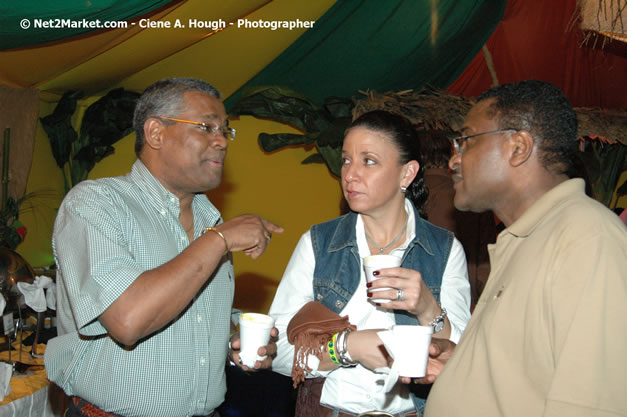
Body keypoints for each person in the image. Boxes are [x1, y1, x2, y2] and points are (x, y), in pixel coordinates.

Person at [44, 77, 283, 417]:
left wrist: (234, 338)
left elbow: (189, 313)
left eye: (224, 131)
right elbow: (128, 319)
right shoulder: (95, 204)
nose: (221, 141)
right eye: (206, 127)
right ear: (155, 133)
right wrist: (220, 240)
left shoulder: (209, 222)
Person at [420, 80, 627, 416]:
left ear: (518, 147)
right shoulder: (525, 239)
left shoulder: (587, 239)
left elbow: (591, 405)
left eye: (466, 141)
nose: (453, 161)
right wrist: (465, 364)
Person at [268, 110, 471, 417]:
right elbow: (278, 352)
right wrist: (348, 348)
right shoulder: (320, 243)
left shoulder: (442, 249)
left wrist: (427, 307)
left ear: (407, 173)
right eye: (347, 159)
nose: (350, 174)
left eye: (369, 161)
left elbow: (463, 362)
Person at [417, 129, 496, 309]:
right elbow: (485, 264)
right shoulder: (474, 197)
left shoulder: (403, 195)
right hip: (466, 303)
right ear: (449, 153)